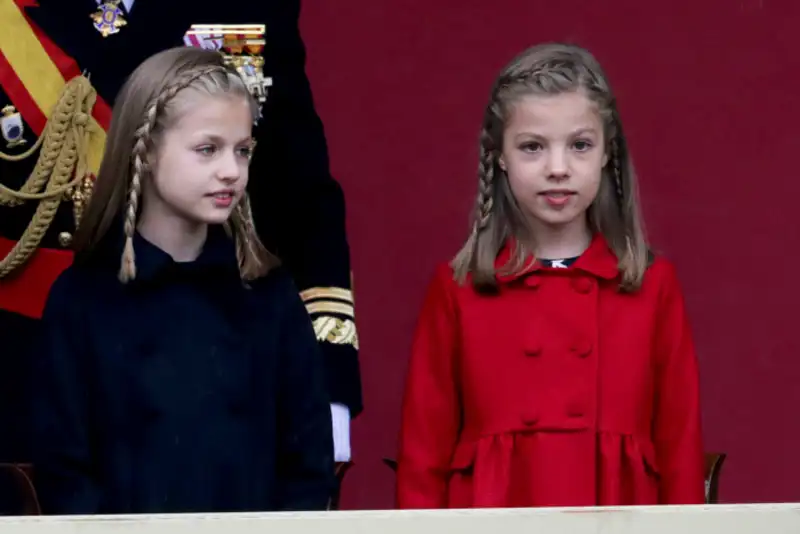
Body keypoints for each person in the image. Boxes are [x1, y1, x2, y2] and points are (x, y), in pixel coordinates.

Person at [0, 0, 361, 492]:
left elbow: (300, 193)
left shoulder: (250, 8)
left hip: (225, 337)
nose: (230, 167)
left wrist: (331, 394)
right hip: (24, 355)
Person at [395, 42, 705, 509]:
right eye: (532, 147)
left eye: (579, 145)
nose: (557, 169)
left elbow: (681, 447)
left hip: (617, 515)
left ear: (606, 154)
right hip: (494, 514)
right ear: (499, 156)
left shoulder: (652, 285)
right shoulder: (458, 289)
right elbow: (423, 457)